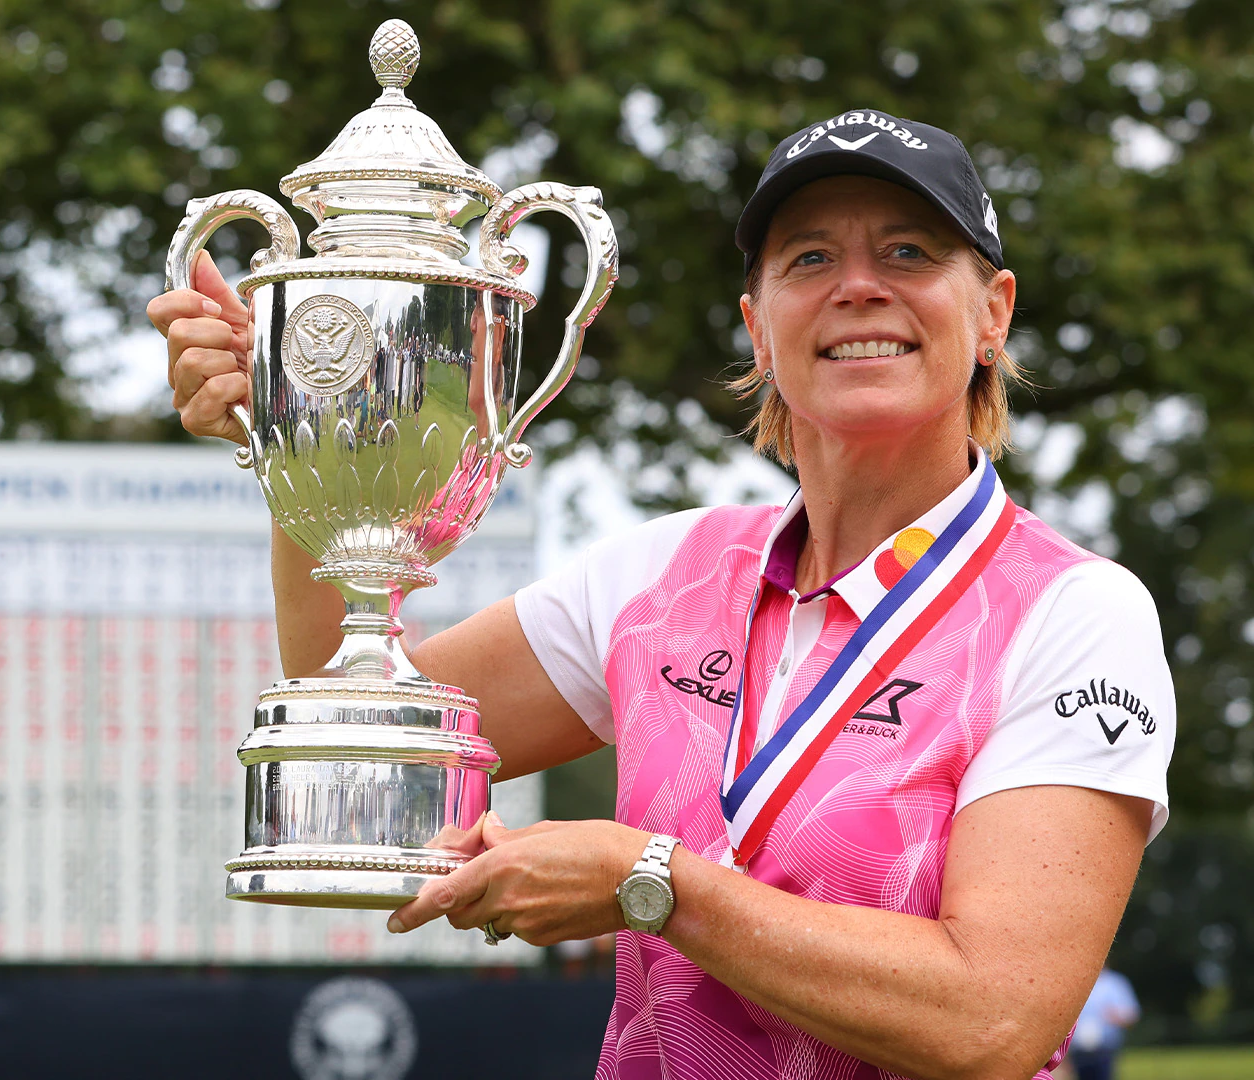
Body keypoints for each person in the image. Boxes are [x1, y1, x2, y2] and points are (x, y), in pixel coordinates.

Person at [149, 108, 1176, 1080]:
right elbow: (366, 722)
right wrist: (305, 421)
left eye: (908, 252)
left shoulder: (1072, 615)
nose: (858, 286)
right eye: (809, 257)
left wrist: (653, 885)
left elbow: (993, 1018)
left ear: (991, 312)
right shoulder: (660, 576)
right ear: (758, 330)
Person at [1069, 967, 1141, 1080]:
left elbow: (1131, 1015)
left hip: (1105, 1049)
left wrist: (1116, 1016)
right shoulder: (1073, 981)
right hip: (1077, 1050)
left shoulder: (1115, 983)